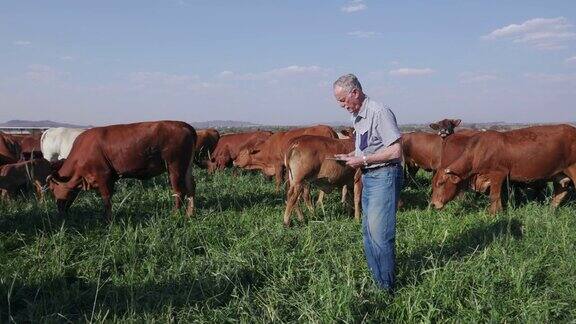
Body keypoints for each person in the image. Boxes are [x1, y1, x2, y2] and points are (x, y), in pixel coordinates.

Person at [333, 73, 403, 292]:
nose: (343, 106)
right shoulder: (358, 117)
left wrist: (362, 160)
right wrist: (352, 155)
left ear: (355, 92)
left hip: (384, 175)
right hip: (369, 176)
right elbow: (369, 147)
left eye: (343, 100)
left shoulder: (378, 112)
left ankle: (386, 288)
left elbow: (396, 150)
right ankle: (377, 280)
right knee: (368, 233)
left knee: (380, 234)